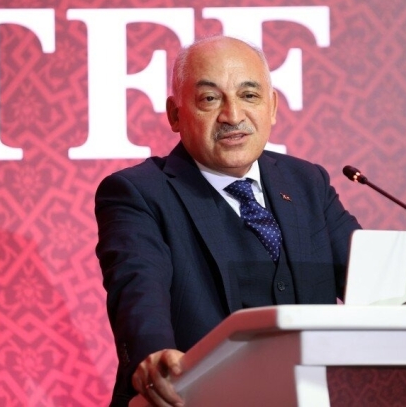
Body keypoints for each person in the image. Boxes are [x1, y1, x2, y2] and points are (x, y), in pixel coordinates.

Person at [94, 35, 361, 407]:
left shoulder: (306, 182)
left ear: (272, 106)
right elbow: (138, 289)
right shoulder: (138, 193)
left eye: (249, 95)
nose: (233, 116)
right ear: (175, 115)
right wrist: (153, 354)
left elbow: (373, 281)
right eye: (209, 99)